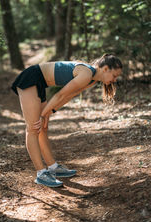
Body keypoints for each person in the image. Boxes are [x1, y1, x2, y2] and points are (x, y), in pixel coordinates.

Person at [11, 53, 122, 188]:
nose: (115, 80)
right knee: (33, 127)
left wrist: (48, 113)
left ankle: (52, 167)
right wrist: (43, 114)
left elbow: (67, 96)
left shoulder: (91, 80)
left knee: (43, 128)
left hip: (40, 82)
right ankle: (41, 173)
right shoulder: (86, 74)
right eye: (114, 76)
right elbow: (60, 94)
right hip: (30, 78)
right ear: (105, 69)